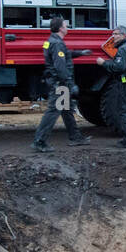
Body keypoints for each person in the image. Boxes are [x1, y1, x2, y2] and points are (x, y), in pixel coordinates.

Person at [33, 16, 91, 153]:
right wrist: (70, 84)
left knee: (66, 109)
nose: (67, 27)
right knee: (53, 111)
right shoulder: (57, 43)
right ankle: (40, 141)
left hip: (58, 82)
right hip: (60, 83)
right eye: (65, 25)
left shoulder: (52, 41)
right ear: (60, 28)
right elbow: (60, 67)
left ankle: (75, 137)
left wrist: (80, 53)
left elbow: (64, 54)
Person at [98, 24, 126, 147]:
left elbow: (118, 67)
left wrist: (104, 63)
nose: (113, 36)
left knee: (125, 111)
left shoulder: (122, 49)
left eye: (116, 34)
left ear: (123, 35)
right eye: (113, 34)